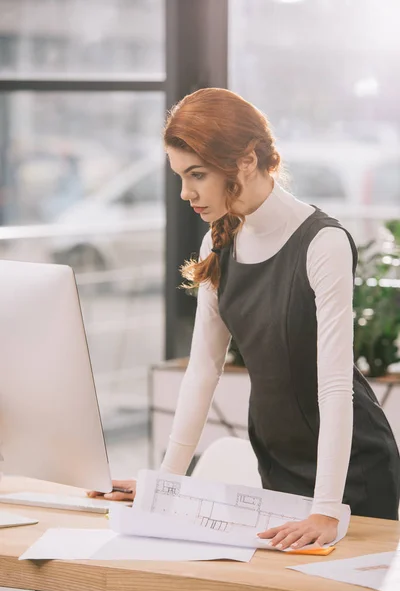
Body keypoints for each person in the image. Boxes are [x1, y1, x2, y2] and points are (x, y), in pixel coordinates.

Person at [89, 88, 400, 549]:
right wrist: (165, 484)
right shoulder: (218, 242)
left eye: (197, 174)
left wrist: (326, 510)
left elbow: (334, 385)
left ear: (248, 160)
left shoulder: (323, 243)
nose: (185, 193)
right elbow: (203, 369)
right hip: (276, 463)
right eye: (179, 176)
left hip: (350, 471)